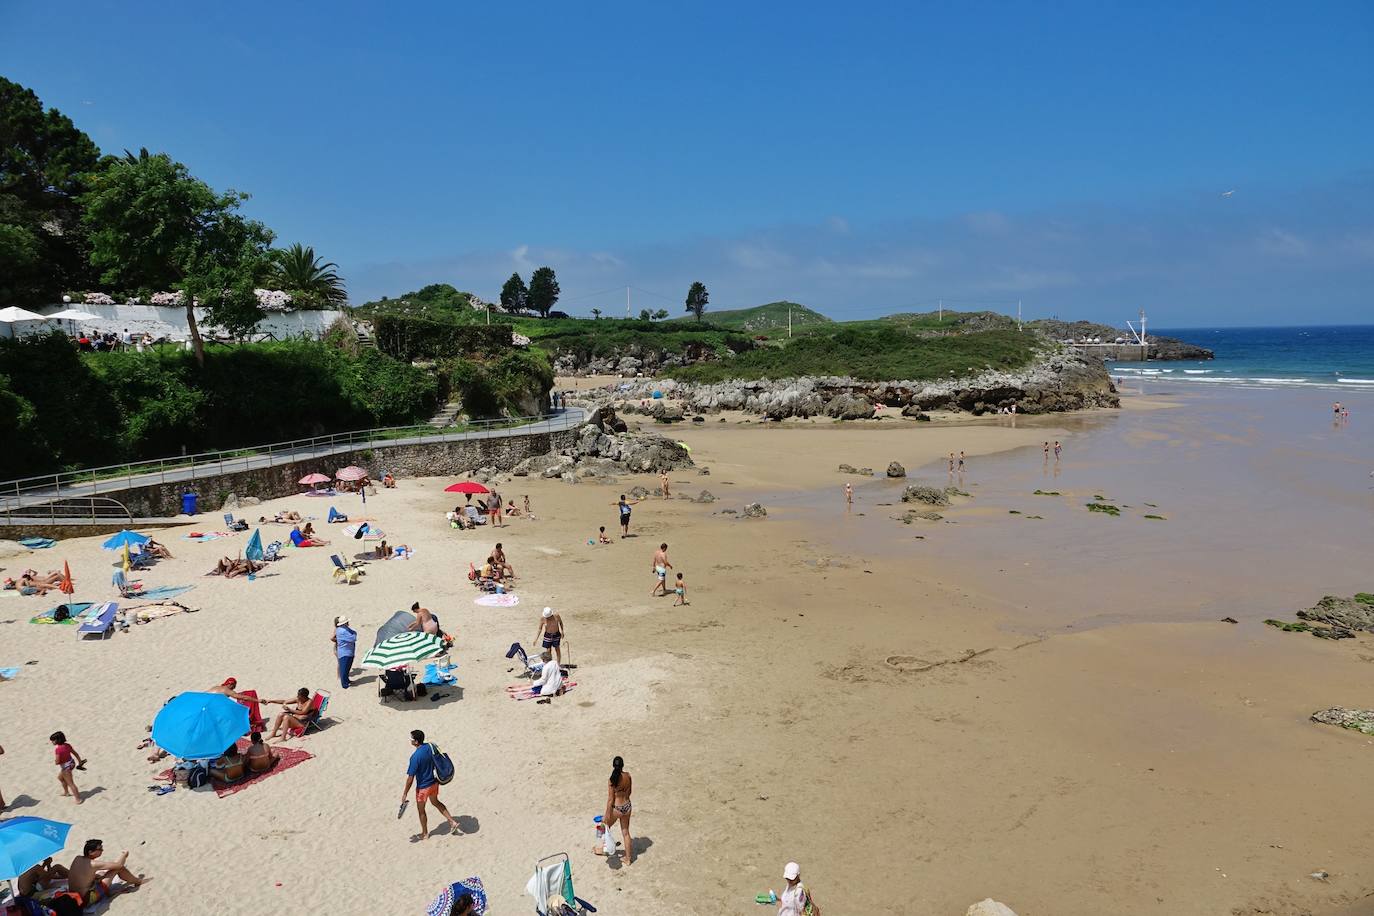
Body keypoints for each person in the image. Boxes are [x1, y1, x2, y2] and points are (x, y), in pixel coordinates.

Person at [402, 729, 460, 840]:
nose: (410, 740)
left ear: (416, 742)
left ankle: (425, 834)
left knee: (421, 810)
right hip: (434, 783)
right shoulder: (429, 746)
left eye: (411, 739)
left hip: (423, 788)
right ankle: (452, 821)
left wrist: (405, 793)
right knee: (436, 802)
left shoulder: (415, 757)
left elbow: (410, 778)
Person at [67, 839, 148, 906]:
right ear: (90, 852)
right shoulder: (94, 864)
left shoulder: (77, 858)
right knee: (118, 869)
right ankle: (138, 881)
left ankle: (134, 880)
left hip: (73, 896)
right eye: (100, 849)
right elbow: (119, 866)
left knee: (102, 873)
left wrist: (95, 877)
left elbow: (83, 873)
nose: (102, 851)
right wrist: (124, 855)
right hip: (86, 899)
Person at [595, 755, 634, 865]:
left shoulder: (611, 780)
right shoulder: (628, 776)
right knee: (625, 833)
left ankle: (601, 849)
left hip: (617, 808)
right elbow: (629, 792)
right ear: (622, 766)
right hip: (627, 806)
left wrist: (607, 815)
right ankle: (628, 859)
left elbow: (610, 799)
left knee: (603, 827)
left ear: (613, 766)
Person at [50, 731, 84, 804]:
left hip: (66, 767)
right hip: (71, 763)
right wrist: (80, 762)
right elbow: (75, 754)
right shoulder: (67, 745)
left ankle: (78, 799)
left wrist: (55, 761)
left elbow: (57, 762)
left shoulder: (58, 749)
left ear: (57, 740)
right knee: (60, 778)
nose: (52, 742)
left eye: (53, 740)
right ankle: (66, 792)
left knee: (71, 783)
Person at [333, 615, 357, 689]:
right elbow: (353, 637)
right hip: (345, 652)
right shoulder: (342, 631)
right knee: (344, 669)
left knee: (347, 668)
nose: (348, 623)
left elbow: (354, 633)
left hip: (348, 651)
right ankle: (345, 685)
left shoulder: (345, 629)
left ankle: (347, 681)